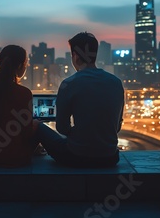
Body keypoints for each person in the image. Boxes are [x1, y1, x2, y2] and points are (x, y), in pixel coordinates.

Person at [36, 32, 125, 167]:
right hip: (110, 158)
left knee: (37, 126)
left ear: (75, 56)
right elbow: (117, 127)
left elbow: (62, 128)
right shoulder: (116, 82)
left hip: (76, 157)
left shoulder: (69, 84)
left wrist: (79, 135)